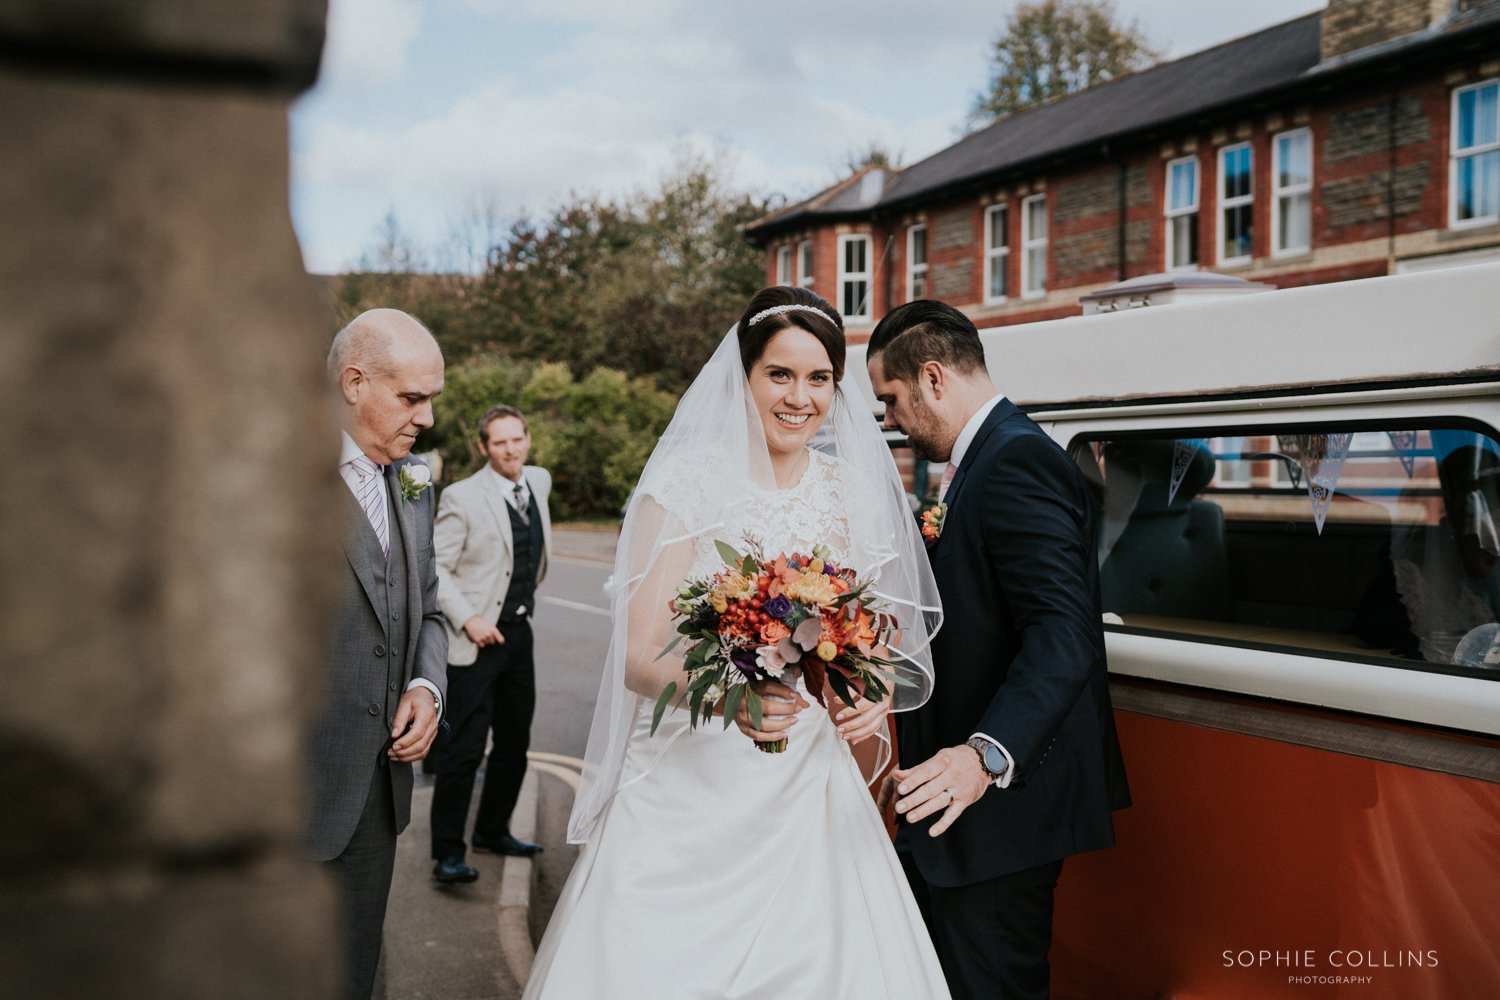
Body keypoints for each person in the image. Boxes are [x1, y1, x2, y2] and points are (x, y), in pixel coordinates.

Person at [522, 286, 951, 999]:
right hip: (686, 787)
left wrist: (869, 689)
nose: (799, 397)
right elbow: (638, 656)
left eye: (818, 379)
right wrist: (731, 702)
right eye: (779, 374)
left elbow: (868, 635)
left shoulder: (850, 492)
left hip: (808, 790)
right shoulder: (680, 486)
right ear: (742, 376)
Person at [866, 300, 1131, 1000]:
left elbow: (1063, 633)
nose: (890, 419)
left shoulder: (1015, 459)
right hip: (949, 809)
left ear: (931, 378)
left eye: (890, 400)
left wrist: (983, 755)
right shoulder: (982, 457)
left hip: (999, 811)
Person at [308, 308, 449, 1000]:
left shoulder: (415, 481)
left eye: (432, 400)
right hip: (285, 794)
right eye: (411, 397)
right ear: (354, 382)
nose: (425, 418)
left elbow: (429, 603)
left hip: (377, 797)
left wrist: (426, 686)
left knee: (353, 978)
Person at [429, 405, 554, 881]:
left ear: (526, 437)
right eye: (499, 443)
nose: (510, 450)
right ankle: (447, 852)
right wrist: (471, 618)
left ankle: (492, 830)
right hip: (475, 641)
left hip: (519, 634)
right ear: (483, 447)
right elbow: (437, 569)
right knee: (463, 750)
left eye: (517, 439)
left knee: (514, 741)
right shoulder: (462, 497)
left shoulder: (538, 481)